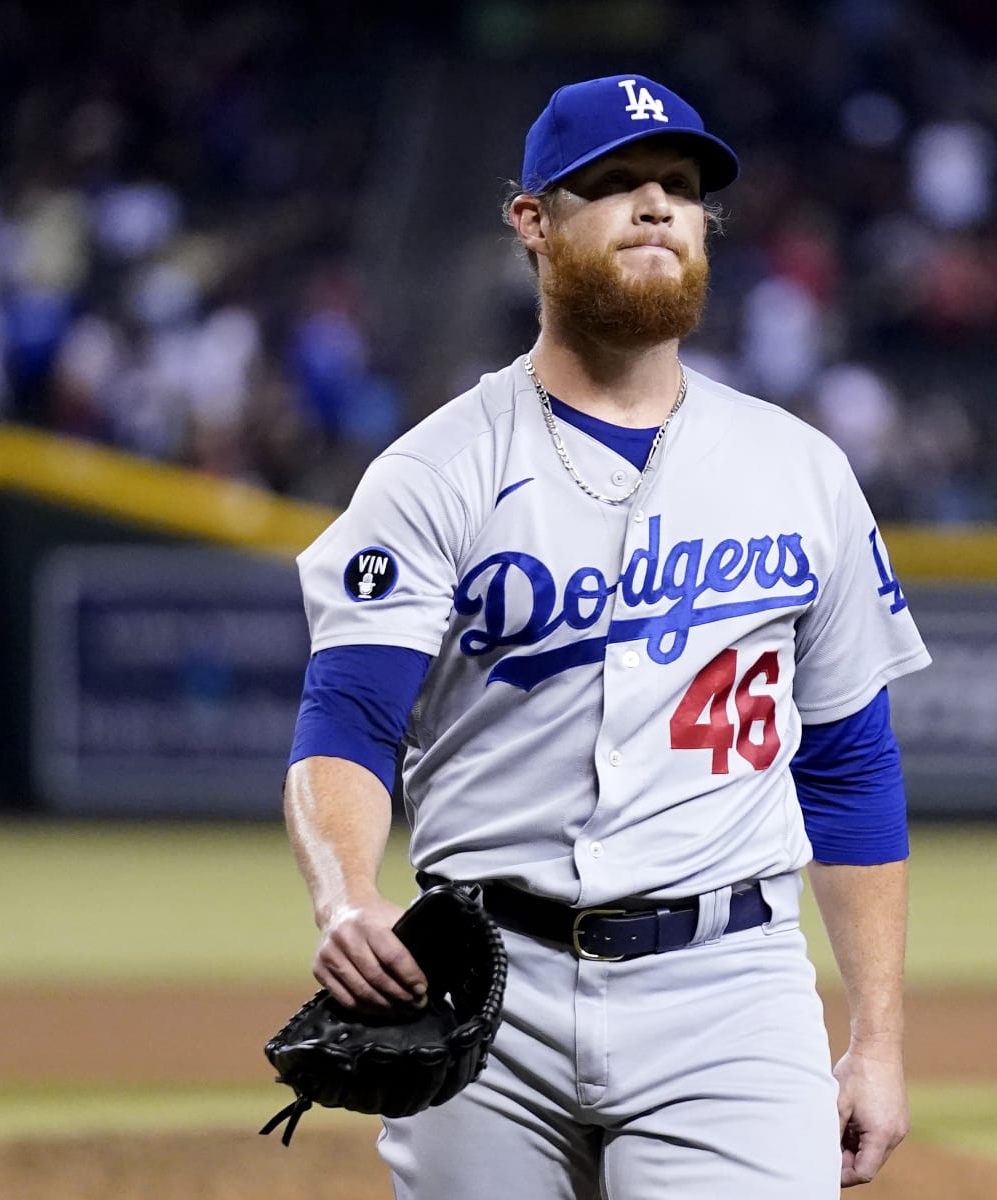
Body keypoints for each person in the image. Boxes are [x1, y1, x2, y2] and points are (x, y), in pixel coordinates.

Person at [283, 73, 932, 1198]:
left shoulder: (800, 471)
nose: (655, 207)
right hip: (488, 983)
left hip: (730, 989)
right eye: (615, 184)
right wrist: (346, 894)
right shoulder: (435, 473)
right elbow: (348, 717)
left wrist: (876, 1036)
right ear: (532, 222)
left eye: (679, 188)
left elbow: (849, 764)